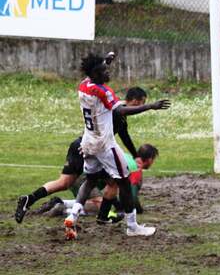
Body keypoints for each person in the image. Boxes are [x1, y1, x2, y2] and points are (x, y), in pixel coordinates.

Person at [14, 86, 167, 224]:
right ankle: (100, 216)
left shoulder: (119, 115)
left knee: (64, 183)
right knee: (112, 182)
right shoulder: (116, 109)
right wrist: (150, 106)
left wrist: (135, 155)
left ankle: (29, 199)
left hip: (80, 145)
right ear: (135, 101)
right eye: (141, 102)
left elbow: (125, 136)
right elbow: (122, 112)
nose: (140, 106)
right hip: (90, 149)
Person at [65, 52, 168, 239]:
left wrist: (106, 60)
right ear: (96, 75)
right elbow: (121, 110)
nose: (108, 72)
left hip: (88, 141)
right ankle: (132, 226)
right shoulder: (104, 91)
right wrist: (150, 106)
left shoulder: (84, 85)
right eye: (105, 70)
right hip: (104, 144)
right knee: (125, 182)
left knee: (90, 180)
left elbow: (93, 72)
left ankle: (73, 216)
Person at [41, 144, 159, 222]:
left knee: (101, 202)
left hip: (78, 175)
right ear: (150, 159)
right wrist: (137, 210)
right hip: (84, 179)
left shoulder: (126, 157)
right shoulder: (135, 169)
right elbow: (131, 196)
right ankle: (62, 209)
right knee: (99, 207)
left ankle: (60, 202)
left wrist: (118, 205)